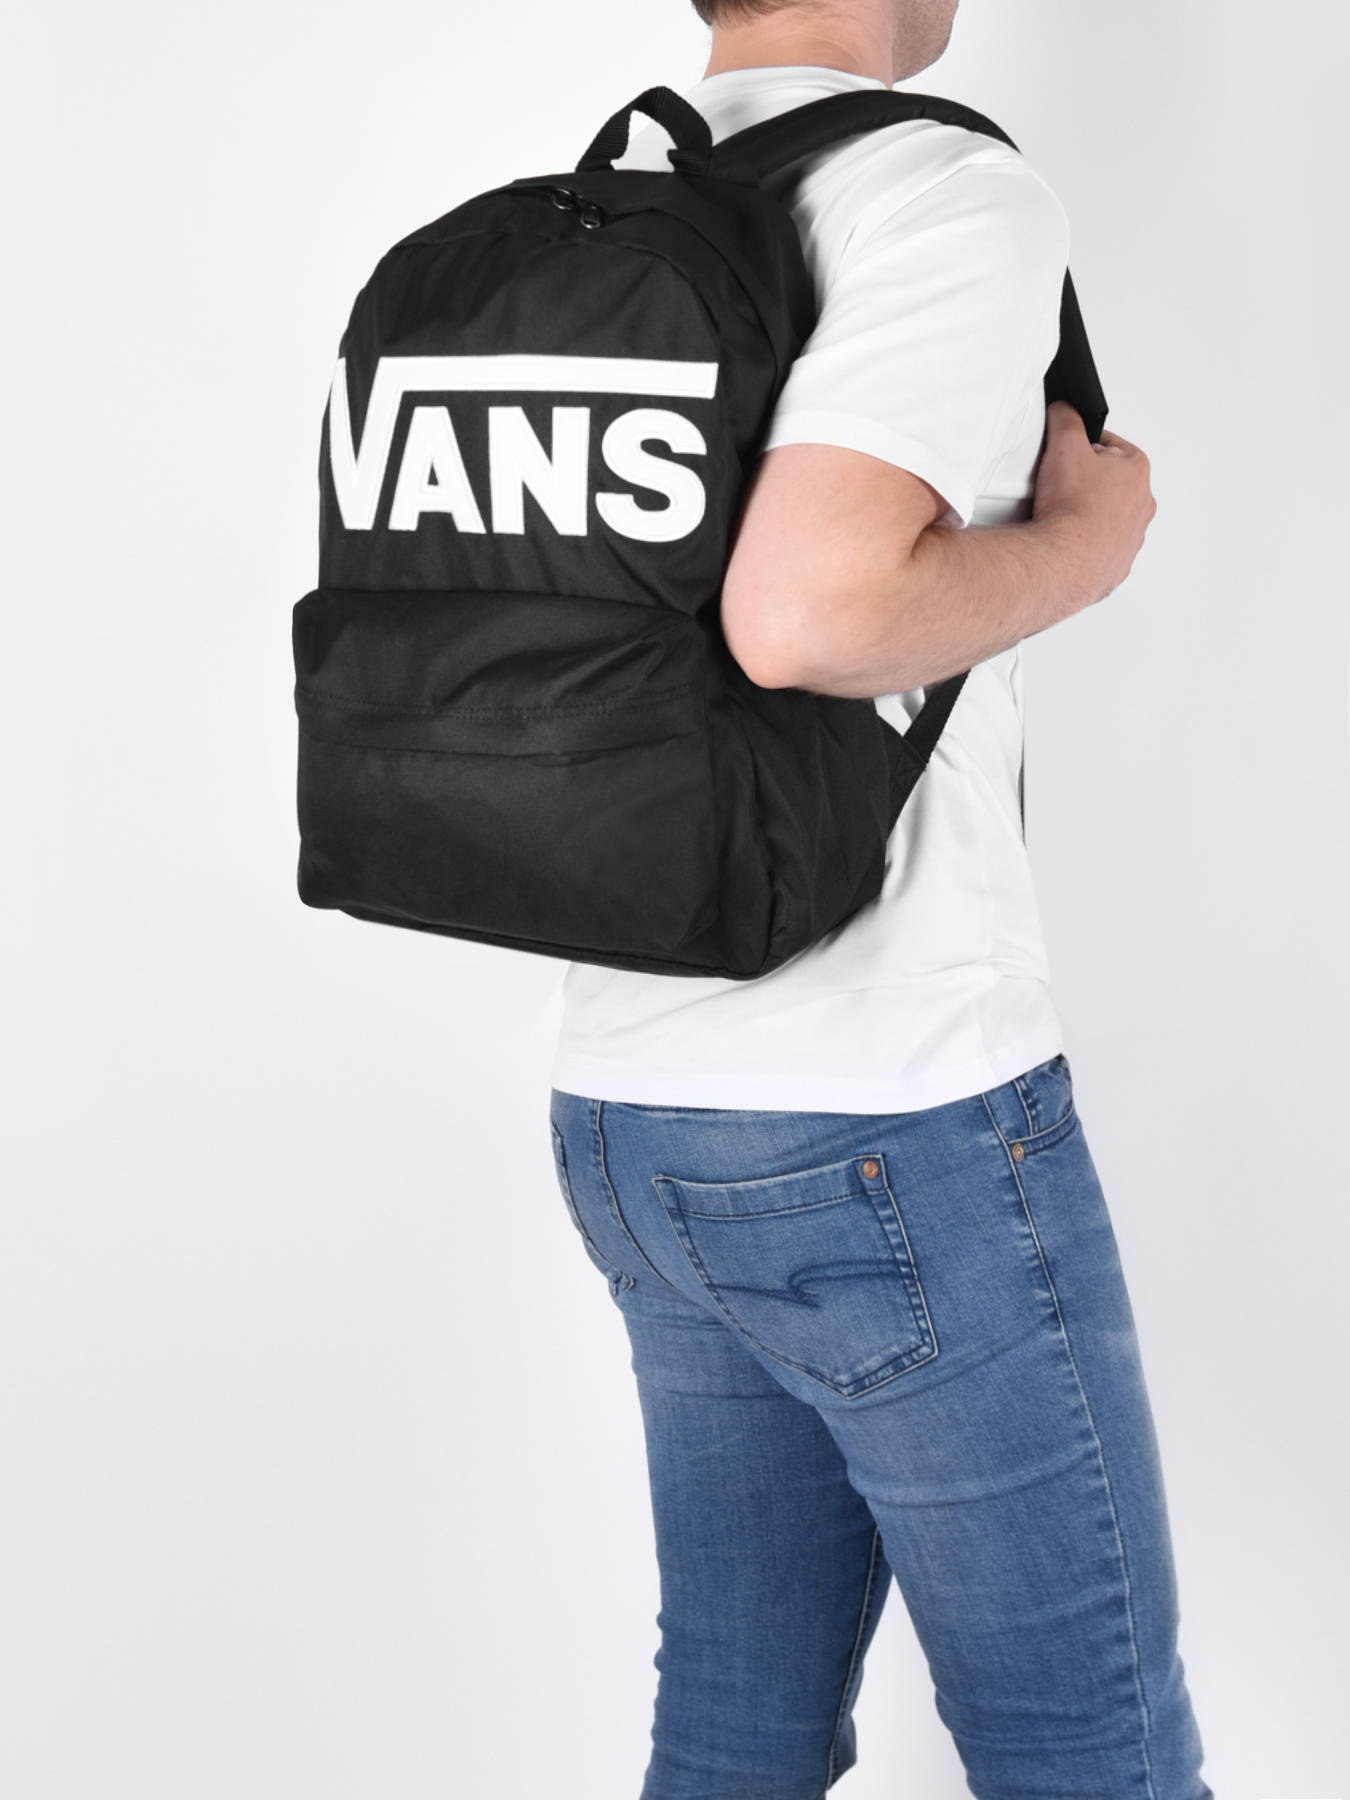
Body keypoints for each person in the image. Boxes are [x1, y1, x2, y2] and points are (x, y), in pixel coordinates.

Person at [547, 1, 1211, 1794]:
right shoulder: (933, 194)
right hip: (884, 1114)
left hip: (630, 1103)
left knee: (735, 1727)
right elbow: (806, 617)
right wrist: (1087, 542)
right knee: (1094, 1753)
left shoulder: (604, 207)